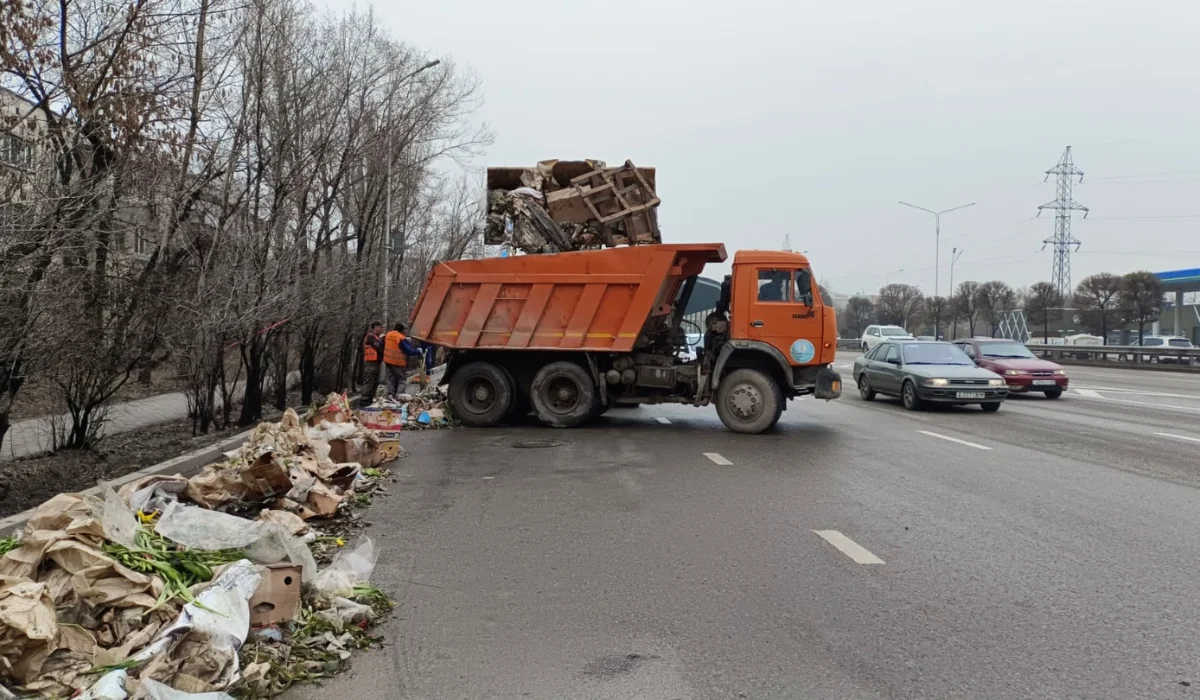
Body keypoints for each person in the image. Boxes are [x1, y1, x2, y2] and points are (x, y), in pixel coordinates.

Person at [383, 322, 418, 397]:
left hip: (388, 361)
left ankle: (390, 396)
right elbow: (408, 350)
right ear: (401, 330)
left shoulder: (388, 335)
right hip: (398, 362)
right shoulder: (400, 337)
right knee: (401, 380)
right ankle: (399, 397)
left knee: (391, 380)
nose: (405, 332)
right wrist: (418, 351)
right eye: (404, 330)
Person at [361, 321, 384, 400]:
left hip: (375, 362)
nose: (382, 329)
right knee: (369, 380)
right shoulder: (371, 336)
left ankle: (370, 397)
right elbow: (377, 346)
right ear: (375, 327)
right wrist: (381, 341)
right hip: (371, 362)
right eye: (380, 327)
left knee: (374, 381)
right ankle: (365, 398)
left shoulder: (376, 337)